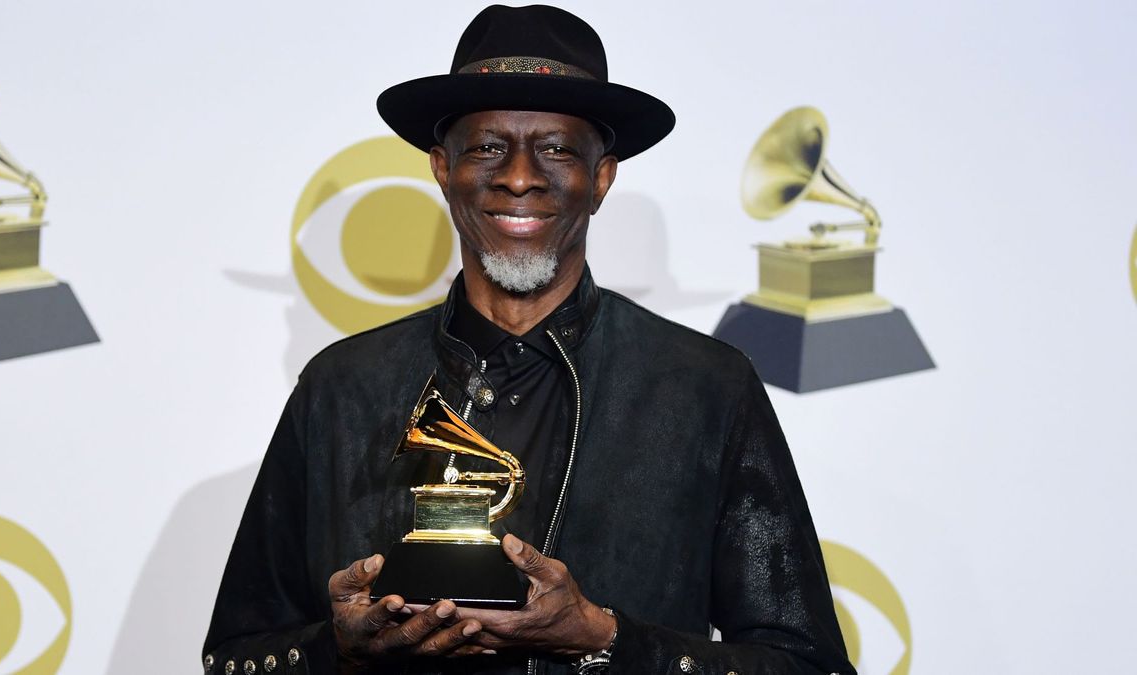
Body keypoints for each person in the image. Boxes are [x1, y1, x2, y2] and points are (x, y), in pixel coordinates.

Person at [203, 5, 854, 675]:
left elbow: (808, 664)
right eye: (487, 146)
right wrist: (332, 649)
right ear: (440, 167)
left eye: (556, 148)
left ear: (600, 178)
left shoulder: (704, 385)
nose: (519, 175)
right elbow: (233, 657)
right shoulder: (340, 385)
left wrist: (604, 635)